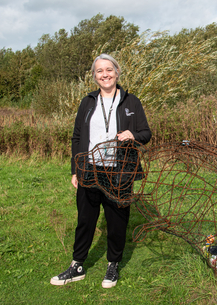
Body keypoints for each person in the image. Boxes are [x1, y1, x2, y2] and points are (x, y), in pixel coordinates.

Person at [50, 53, 151, 288]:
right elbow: (77, 138)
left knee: (117, 220)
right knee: (85, 219)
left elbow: (146, 133)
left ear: (116, 72)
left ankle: (112, 265)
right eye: (99, 71)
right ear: (94, 76)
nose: (104, 74)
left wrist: (133, 135)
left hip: (120, 170)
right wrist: (76, 169)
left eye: (109, 70)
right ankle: (77, 266)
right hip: (90, 169)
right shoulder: (87, 102)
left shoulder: (131, 101)